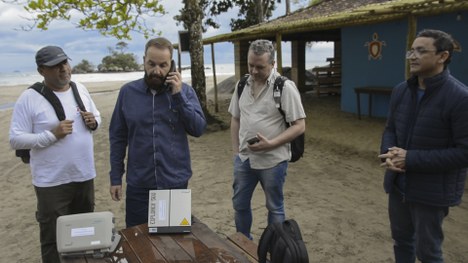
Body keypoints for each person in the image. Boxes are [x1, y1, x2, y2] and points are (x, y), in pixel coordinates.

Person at [378, 29, 468, 262]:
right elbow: (391, 129)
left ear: (442, 56)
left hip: (432, 191)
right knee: (402, 242)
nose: (412, 56)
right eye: (411, 50)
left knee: (428, 252)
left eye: (421, 51)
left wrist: (411, 159)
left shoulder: (460, 98)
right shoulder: (401, 91)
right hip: (398, 186)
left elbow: (464, 152)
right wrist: (388, 153)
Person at [9, 46, 101, 263]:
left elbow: (97, 117)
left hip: (84, 176)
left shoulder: (80, 88)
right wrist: (51, 135)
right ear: (42, 70)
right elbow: (15, 139)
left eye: (65, 63)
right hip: (51, 183)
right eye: (55, 66)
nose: (63, 69)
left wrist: (94, 122)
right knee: (53, 241)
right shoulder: (29, 97)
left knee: (84, 237)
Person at [109, 37, 206, 228]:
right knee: (138, 242)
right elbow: (118, 138)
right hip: (139, 183)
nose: (156, 71)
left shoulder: (185, 92)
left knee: (174, 242)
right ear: (144, 60)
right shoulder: (127, 93)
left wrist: (177, 96)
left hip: (174, 181)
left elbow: (198, 129)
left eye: (163, 65)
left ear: (172, 65)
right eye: (151, 64)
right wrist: (115, 178)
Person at [228, 39, 306, 239]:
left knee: (275, 207)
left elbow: (300, 126)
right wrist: (236, 151)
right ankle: (244, 243)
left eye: (260, 67)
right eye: (250, 65)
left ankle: (274, 248)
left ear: (273, 64)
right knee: (240, 205)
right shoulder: (242, 85)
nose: (254, 71)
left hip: (273, 161)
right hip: (244, 160)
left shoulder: (285, 87)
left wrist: (271, 144)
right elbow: (235, 119)